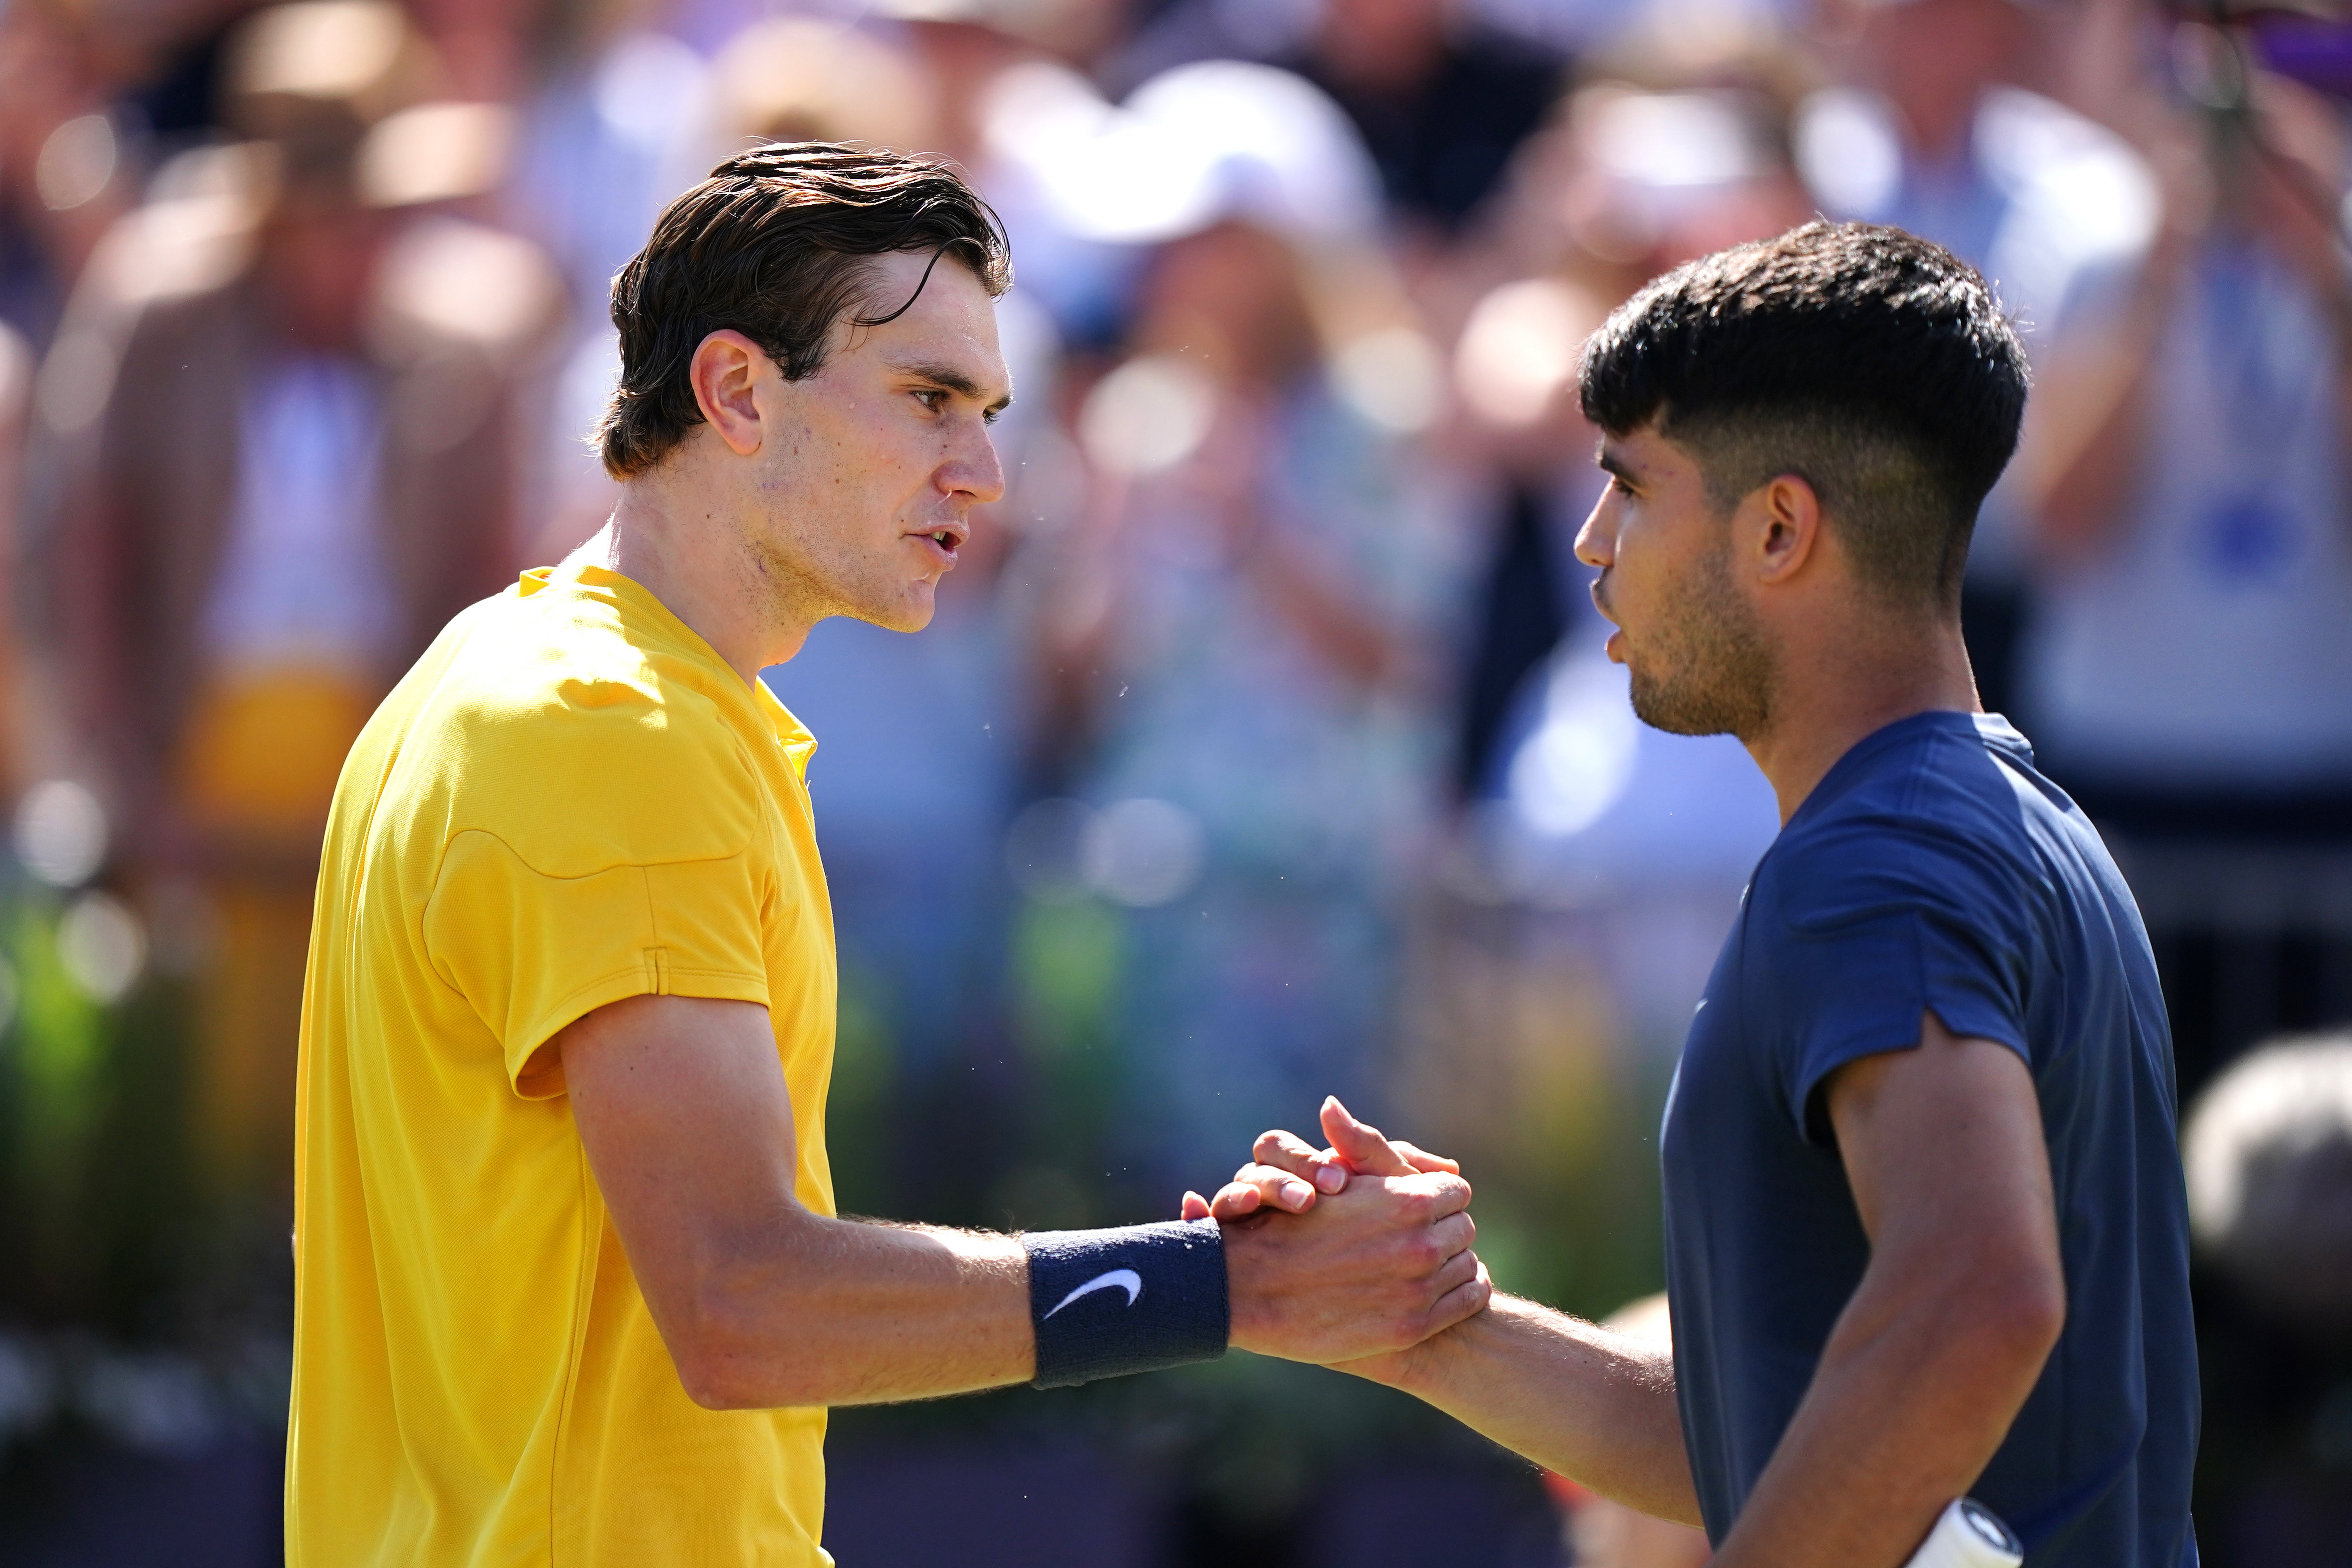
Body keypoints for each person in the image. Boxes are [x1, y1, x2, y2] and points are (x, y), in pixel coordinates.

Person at [285, 143, 1490, 1566]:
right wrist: (1234, 1289)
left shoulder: (540, 678)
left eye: (986, 410)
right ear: (736, 392)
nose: (982, 473)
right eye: (928, 400)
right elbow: (746, 1303)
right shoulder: (610, 729)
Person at [1213, 221, 2199, 1566]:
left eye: (1629, 486)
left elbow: (1973, 1301)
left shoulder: (1880, 865)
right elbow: (1762, 1447)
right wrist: (1427, 1320)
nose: (1586, 538)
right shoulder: (1990, 820)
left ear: (1780, 528)